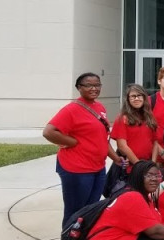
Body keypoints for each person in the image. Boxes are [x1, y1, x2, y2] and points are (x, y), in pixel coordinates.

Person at [43, 72, 122, 226]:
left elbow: (103, 138)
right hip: (76, 169)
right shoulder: (71, 109)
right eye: (89, 85)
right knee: (75, 211)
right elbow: (48, 132)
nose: (94, 88)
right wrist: (71, 141)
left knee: (91, 209)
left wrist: (116, 158)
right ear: (79, 88)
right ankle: (68, 236)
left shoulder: (99, 107)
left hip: (97, 168)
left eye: (97, 85)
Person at [89, 161, 164, 240]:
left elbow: (155, 226)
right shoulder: (132, 197)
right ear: (138, 177)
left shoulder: (145, 198)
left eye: (157, 176)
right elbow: (156, 231)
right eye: (149, 175)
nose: (154, 179)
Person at [111, 84, 158, 166]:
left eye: (139, 95)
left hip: (148, 165)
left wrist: (152, 164)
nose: (136, 98)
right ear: (128, 99)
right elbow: (122, 146)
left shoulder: (150, 117)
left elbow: (155, 143)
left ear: (144, 98)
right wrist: (139, 166)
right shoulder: (122, 118)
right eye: (133, 96)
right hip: (131, 167)